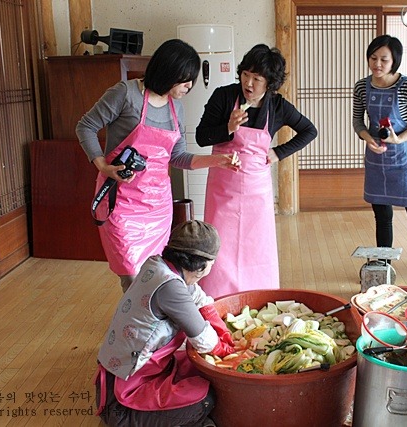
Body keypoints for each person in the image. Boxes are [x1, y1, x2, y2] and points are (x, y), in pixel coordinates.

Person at [76, 39, 240, 292]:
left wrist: (216, 160)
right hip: (121, 200)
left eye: (191, 80)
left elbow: (178, 157)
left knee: (156, 270)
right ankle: (135, 324)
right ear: (168, 71)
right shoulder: (125, 94)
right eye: (185, 79)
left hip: (157, 204)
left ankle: (151, 323)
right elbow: (85, 126)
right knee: (131, 272)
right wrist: (103, 166)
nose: (189, 86)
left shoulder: (177, 108)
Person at [195, 44, 317, 297]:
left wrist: (278, 152)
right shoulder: (224, 96)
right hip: (222, 186)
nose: (249, 83)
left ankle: (260, 295)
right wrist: (227, 127)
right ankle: (217, 297)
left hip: (256, 189)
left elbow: (309, 131)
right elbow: (200, 137)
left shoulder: (278, 106)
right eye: (246, 75)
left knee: (257, 245)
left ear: (270, 84)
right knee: (221, 243)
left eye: (257, 79)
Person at [95, 220, 235, 427]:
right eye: (212, 263)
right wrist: (231, 350)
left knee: (194, 368)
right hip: (122, 402)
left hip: (117, 377)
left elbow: (199, 300)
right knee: (205, 399)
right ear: (202, 266)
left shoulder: (157, 265)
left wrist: (224, 332)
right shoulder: (170, 288)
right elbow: (204, 341)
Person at [352, 35, 407, 288]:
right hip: (376, 161)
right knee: (382, 217)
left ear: (394, 61)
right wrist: (368, 138)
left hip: (404, 161)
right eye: (373, 58)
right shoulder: (361, 87)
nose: (377, 63)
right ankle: (384, 275)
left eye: (384, 59)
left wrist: (399, 139)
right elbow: (358, 122)